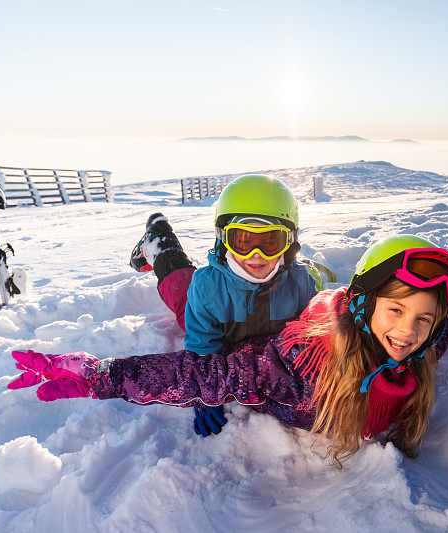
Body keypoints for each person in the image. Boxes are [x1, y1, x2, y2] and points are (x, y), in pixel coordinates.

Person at [8, 235, 448, 466]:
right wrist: (100, 375)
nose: (408, 331)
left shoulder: (417, 354)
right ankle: (161, 243)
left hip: (307, 307)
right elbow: (202, 377)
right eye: (396, 311)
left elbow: (440, 336)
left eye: (422, 318)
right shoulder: (302, 369)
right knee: (188, 294)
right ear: (365, 307)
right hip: (244, 342)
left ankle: (316, 275)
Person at [128, 174, 318, 436]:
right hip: (222, 336)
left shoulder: (300, 285)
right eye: (242, 240)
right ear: (222, 238)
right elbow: (202, 349)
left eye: (269, 242)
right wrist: (206, 394)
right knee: (183, 293)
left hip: (260, 360)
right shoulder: (207, 289)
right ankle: (161, 243)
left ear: (289, 243)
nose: (256, 256)